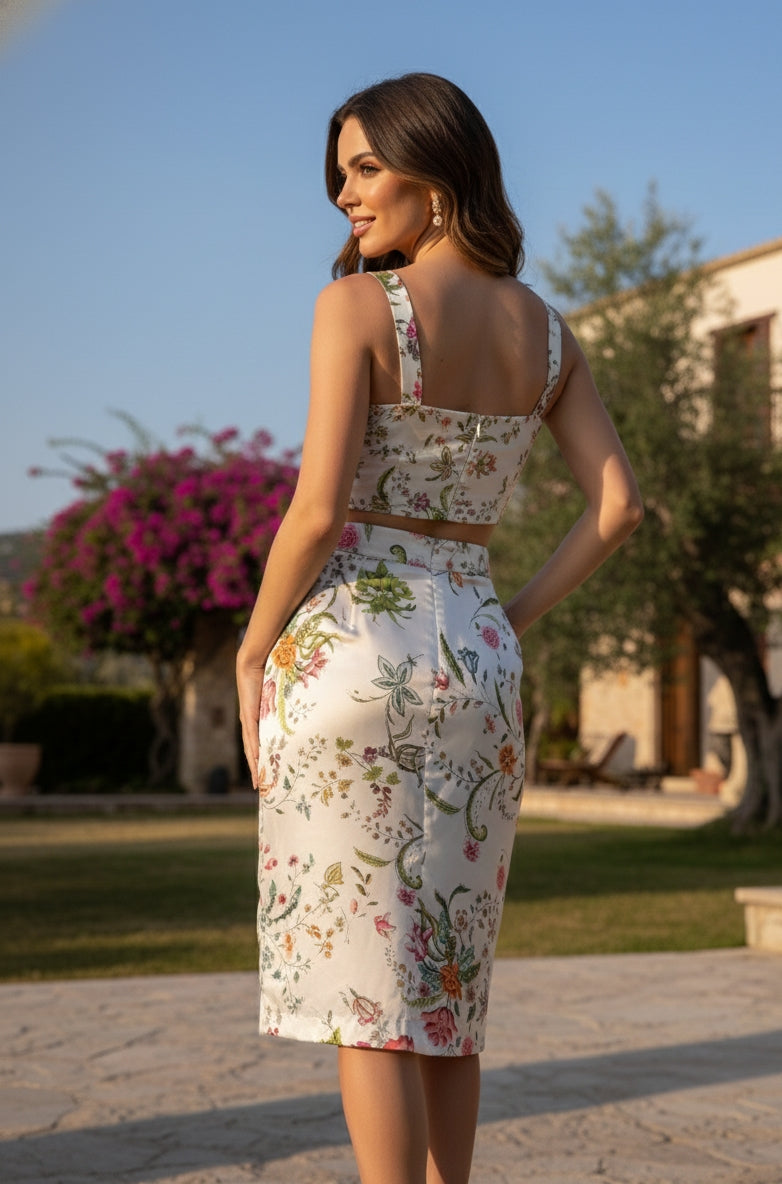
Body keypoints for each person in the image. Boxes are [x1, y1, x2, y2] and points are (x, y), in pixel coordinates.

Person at [236, 73, 643, 1184]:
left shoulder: (358, 309)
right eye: (339, 174)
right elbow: (617, 507)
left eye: (365, 169)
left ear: (437, 169)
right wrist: (500, 616)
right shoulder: (549, 334)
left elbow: (317, 511)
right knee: (449, 977)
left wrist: (249, 645)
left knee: (367, 983)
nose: (343, 198)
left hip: (350, 651)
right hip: (476, 652)